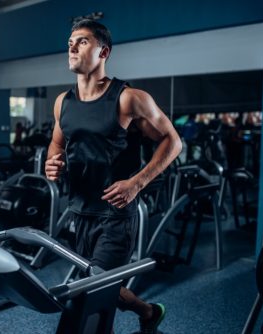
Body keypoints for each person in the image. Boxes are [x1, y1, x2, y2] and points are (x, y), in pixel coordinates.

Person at [45, 19, 182, 334]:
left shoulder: (129, 98)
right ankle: (148, 312)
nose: (72, 46)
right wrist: (53, 163)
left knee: (92, 290)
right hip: (80, 211)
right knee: (95, 283)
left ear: (103, 51)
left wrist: (137, 182)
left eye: (81, 41)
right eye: (70, 41)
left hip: (115, 215)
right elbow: (56, 143)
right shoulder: (62, 102)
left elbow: (173, 141)